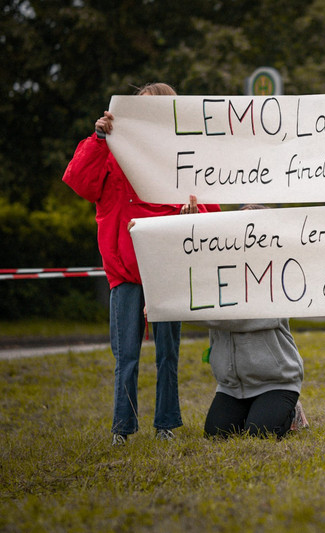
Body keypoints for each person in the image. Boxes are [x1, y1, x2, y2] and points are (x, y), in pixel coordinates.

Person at [63, 82, 219, 446]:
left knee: (168, 354)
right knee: (126, 356)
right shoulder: (111, 149)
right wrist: (99, 139)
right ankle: (123, 429)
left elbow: (209, 208)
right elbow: (80, 182)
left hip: (165, 267)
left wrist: (193, 212)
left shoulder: (185, 153)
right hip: (124, 268)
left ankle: (166, 425)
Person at [187, 204, 308, 439]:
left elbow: (239, 320)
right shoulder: (218, 265)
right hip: (232, 387)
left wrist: (196, 315)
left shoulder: (276, 272)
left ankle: (292, 411)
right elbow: (188, 259)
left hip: (276, 382)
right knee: (216, 436)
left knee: (260, 434)